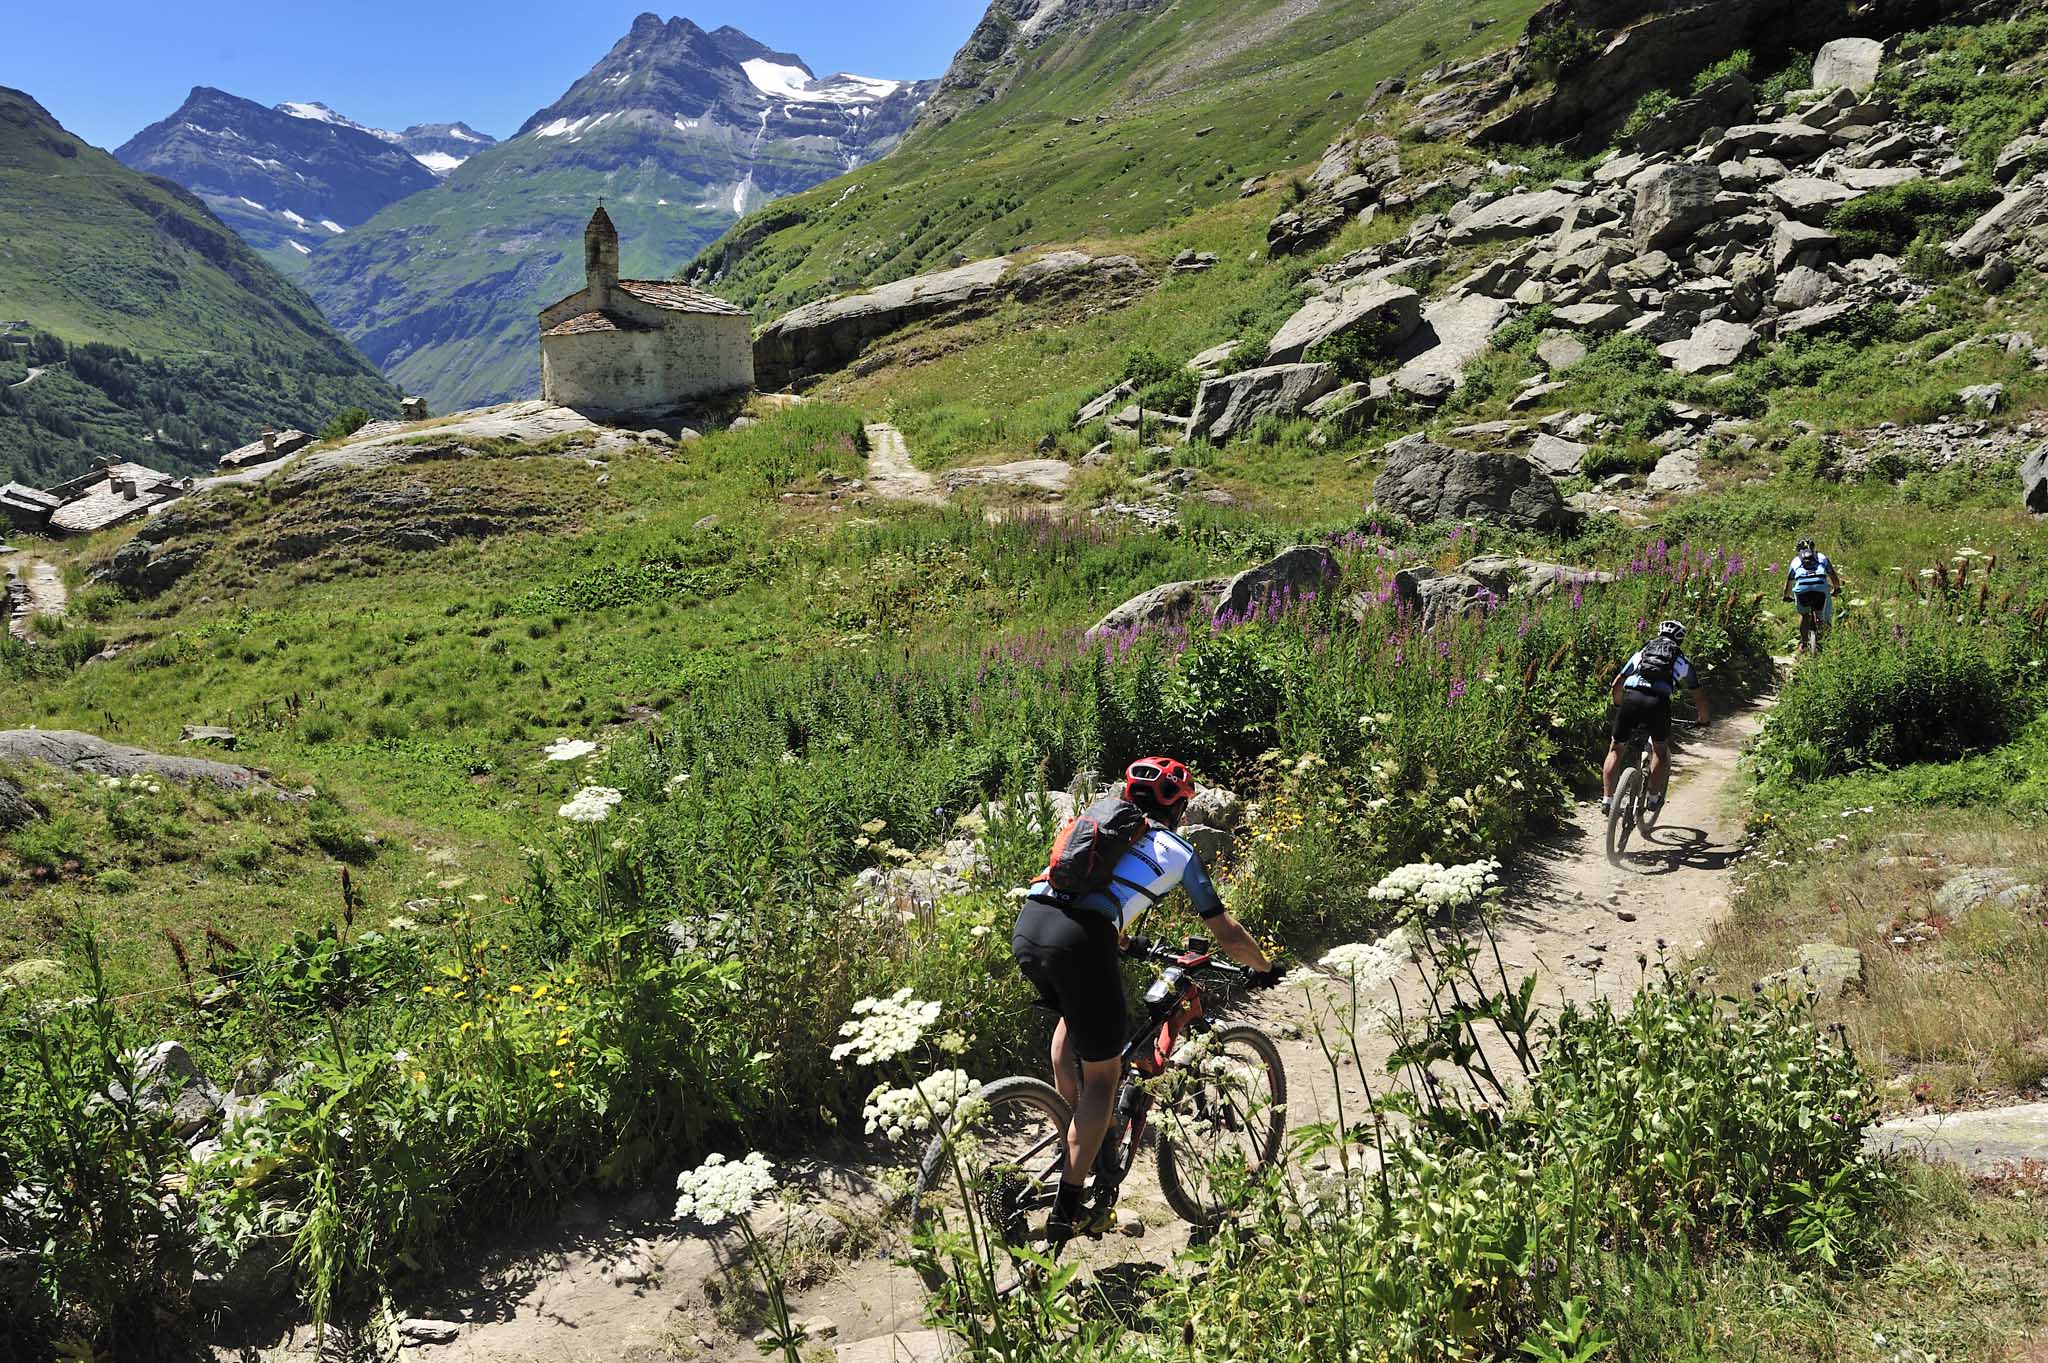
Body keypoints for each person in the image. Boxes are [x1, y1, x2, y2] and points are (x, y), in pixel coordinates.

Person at [1011, 756, 1279, 1242]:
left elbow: (1085, 899)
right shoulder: (1176, 849)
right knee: (1105, 1078)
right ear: (1177, 807)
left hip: (1031, 926)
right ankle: (1069, 1209)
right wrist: (1264, 968)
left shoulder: (1099, 826)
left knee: (1071, 1039)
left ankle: (1079, 1140)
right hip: (1081, 942)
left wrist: (1127, 943)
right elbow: (1226, 931)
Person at [1602, 621, 1710, 817]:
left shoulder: (1642, 653)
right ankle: (1652, 798)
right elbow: (1699, 696)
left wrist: (1619, 704)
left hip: (1631, 699)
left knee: (1616, 748)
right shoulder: (1683, 662)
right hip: (1657, 703)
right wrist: (1704, 719)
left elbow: (1618, 682)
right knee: (1660, 749)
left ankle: (1607, 800)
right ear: (1680, 640)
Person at [1783, 538, 1843, 655]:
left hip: (1802, 590)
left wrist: (1786, 596)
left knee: (1804, 615)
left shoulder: (1795, 561)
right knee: (1823, 614)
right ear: (1813, 548)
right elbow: (1833, 576)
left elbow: (1789, 582)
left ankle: (1804, 644)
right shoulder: (1822, 557)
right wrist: (1837, 588)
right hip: (1820, 588)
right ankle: (1826, 641)